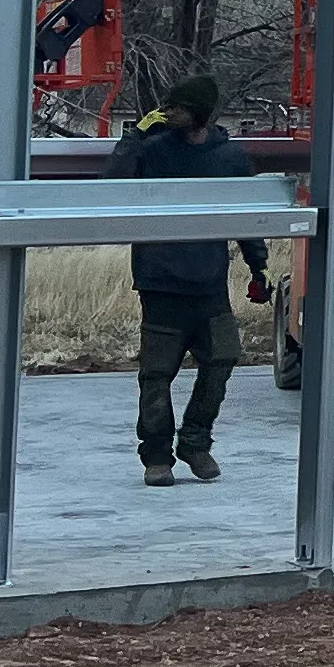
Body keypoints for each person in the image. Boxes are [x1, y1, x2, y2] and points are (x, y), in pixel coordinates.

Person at [109, 75, 273, 488]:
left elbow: (246, 216)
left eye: (176, 106)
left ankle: (195, 442)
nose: (167, 112)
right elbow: (113, 185)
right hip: (160, 281)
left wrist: (258, 267)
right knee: (156, 374)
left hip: (208, 283)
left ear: (198, 112)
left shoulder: (229, 159)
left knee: (223, 359)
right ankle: (156, 457)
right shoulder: (154, 150)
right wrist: (133, 137)